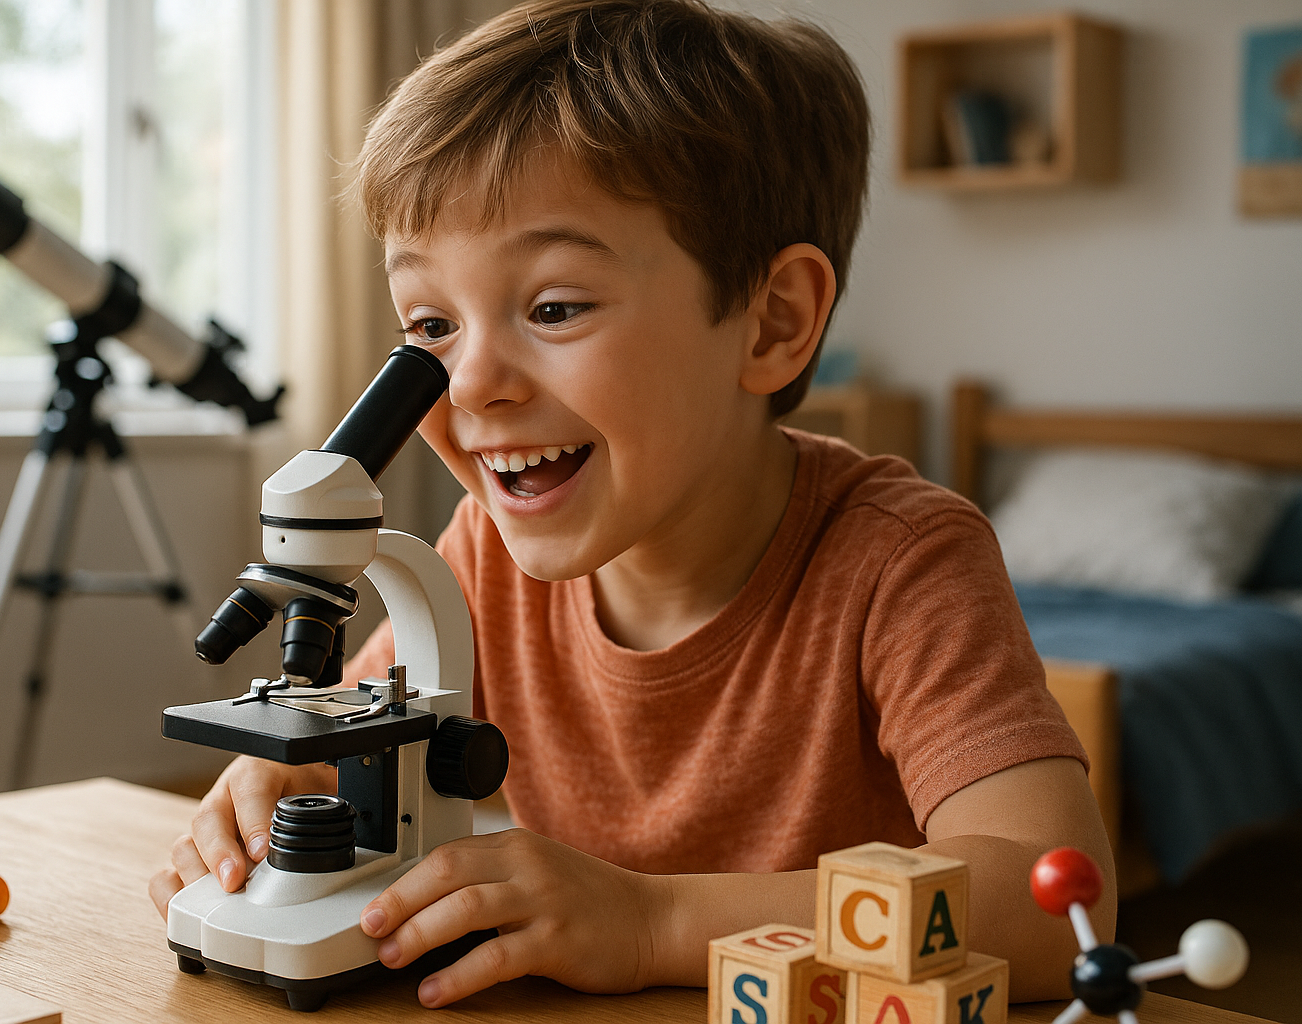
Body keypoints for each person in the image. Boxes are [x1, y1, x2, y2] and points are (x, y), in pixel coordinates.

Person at [149, 0, 1113, 1007]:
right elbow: (345, 742)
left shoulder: (899, 562)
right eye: (430, 322)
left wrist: (652, 921)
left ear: (771, 321)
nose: (471, 384)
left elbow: (1052, 907)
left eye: (554, 306)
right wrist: (278, 799)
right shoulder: (476, 556)